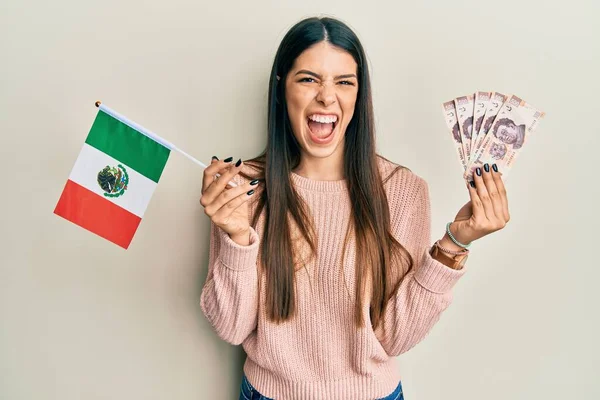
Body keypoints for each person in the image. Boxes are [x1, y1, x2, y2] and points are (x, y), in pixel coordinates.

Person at [199, 16, 510, 400]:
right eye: (309, 79)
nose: (327, 97)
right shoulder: (241, 188)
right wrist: (237, 237)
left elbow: (393, 339)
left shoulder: (402, 191)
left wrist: (454, 245)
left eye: (344, 82)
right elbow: (231, 327)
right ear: (281, 90)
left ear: (359, 95)